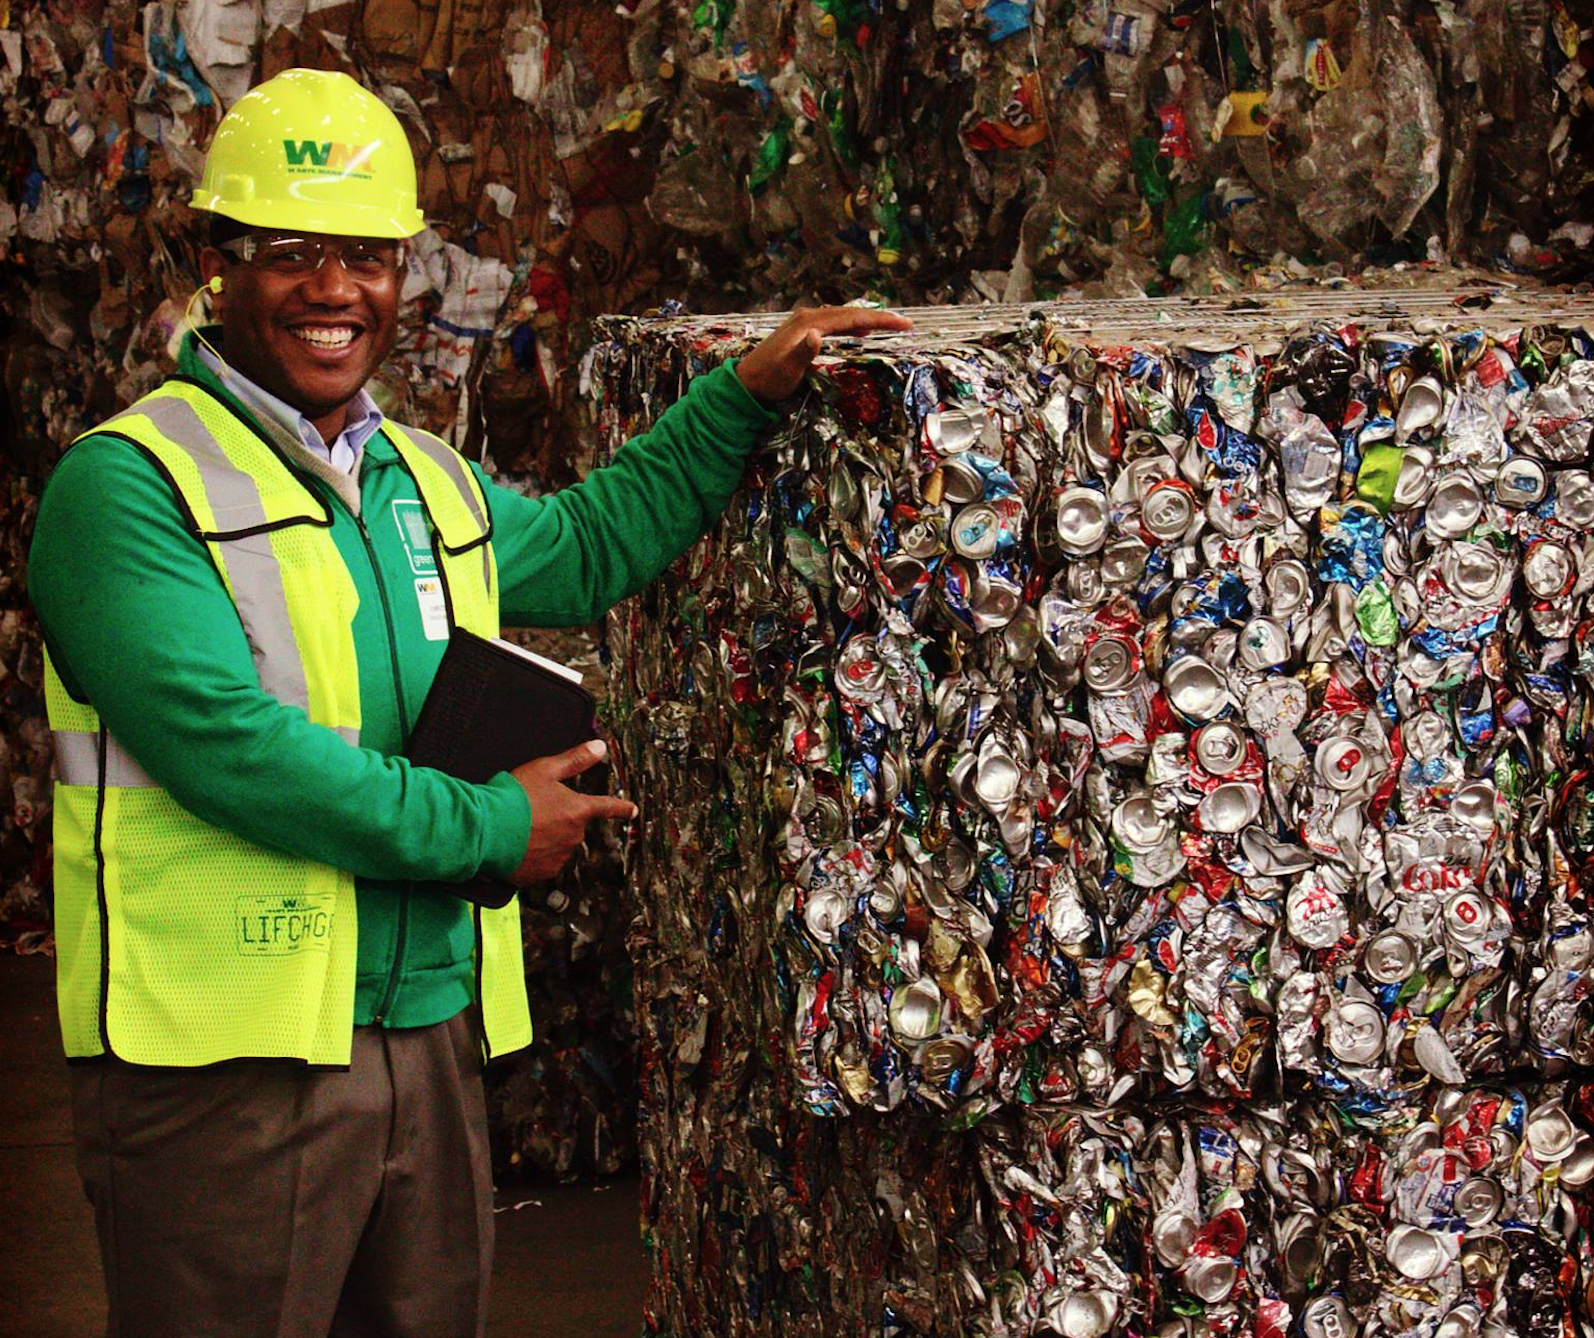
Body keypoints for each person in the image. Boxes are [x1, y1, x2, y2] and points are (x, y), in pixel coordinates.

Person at [27, 67, 910, 1338]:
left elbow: (593, 543)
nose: (335, 292)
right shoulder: (127, 490)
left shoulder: (423, 484)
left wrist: (744, 396)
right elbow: (235, 753)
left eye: (367, 257)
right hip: (224, 1069)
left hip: (424, 1038)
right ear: (221, 265)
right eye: (291, 254)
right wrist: (494, 830)